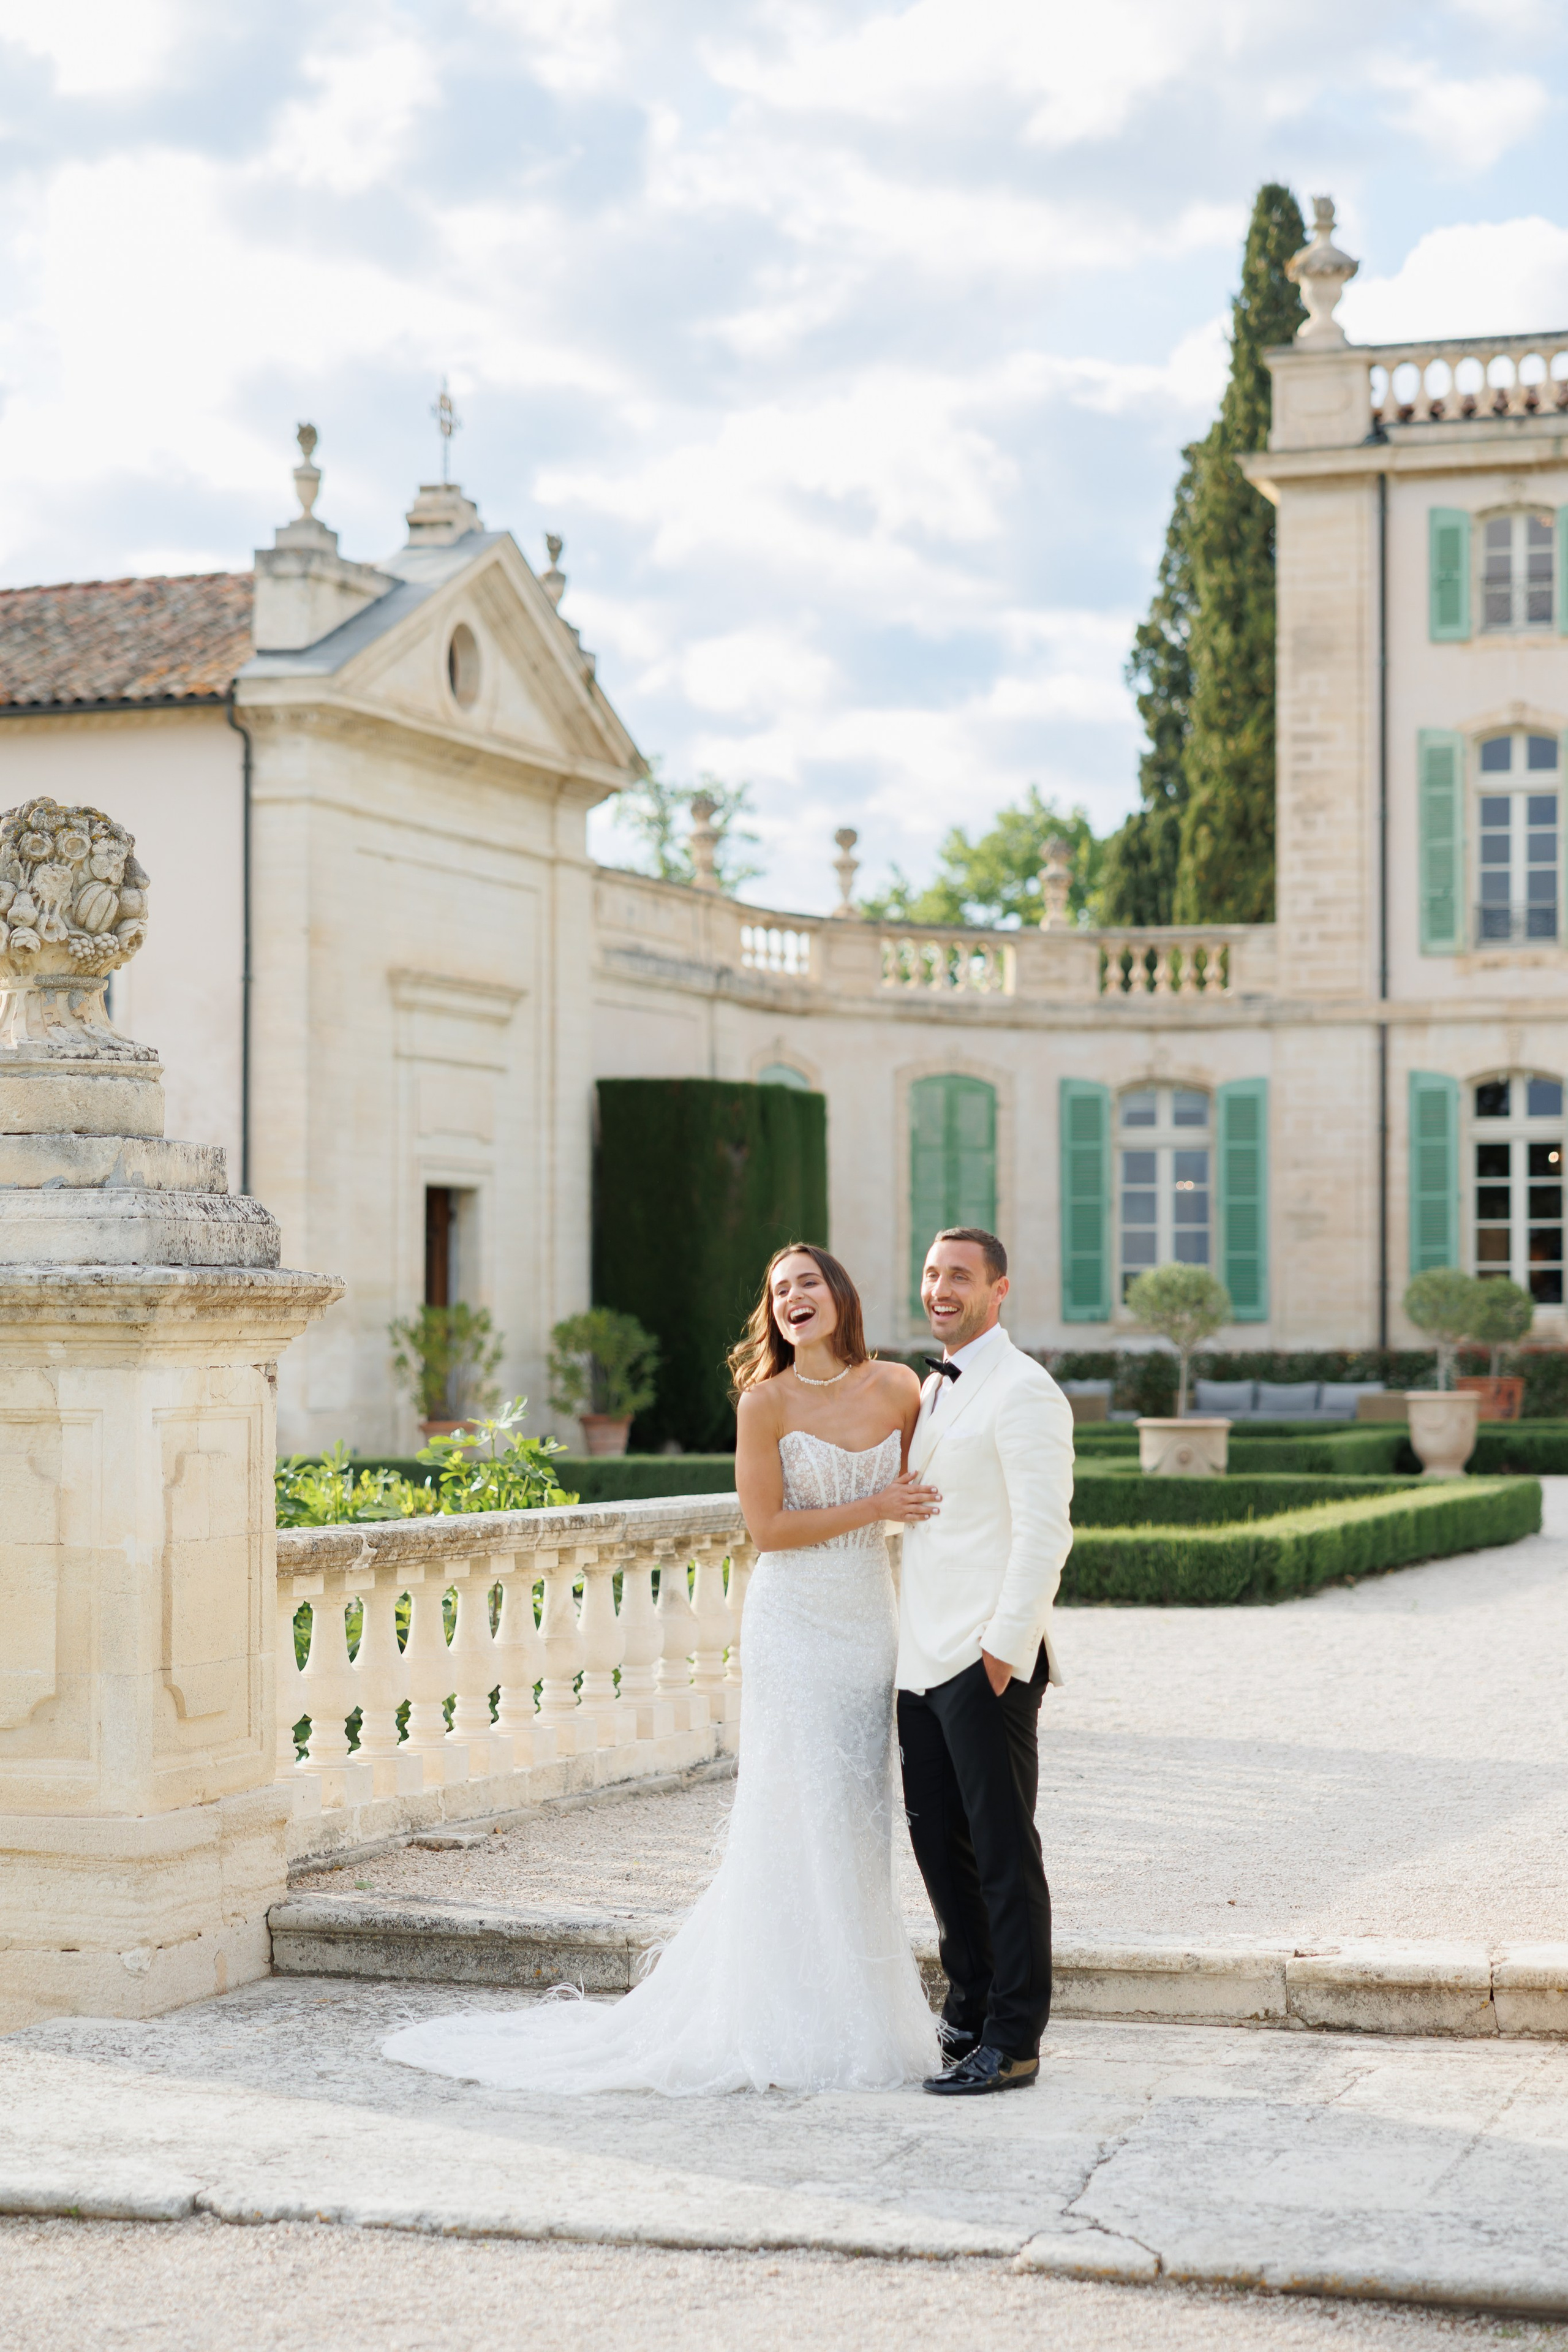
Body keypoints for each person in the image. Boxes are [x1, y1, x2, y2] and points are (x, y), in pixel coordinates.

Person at [381, 1242, 943, 2096]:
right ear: (774, 1312)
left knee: (858, 1812)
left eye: (808, 1282)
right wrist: (874, 1506)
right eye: (779, 1288)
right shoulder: (766, 1401)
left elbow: (939, 1485)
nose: (795, 1297)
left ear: (839, 1294)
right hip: (795, 1624)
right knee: (796, 1809)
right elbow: (767, 1530)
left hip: (867, 1623)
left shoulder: (902, 1387)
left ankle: (858, 2004)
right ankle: (780, 2012)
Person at [897, 1226, 1074, 2098]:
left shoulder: (1026, 1390)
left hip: (984, 1659)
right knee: (940, 1849)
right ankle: (967, 2007)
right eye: (932, 1274)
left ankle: (1015, 2037)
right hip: (917, 1658)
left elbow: (1046, 1531)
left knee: (1004, 1854)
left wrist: (1003, 1653)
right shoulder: (931, 1389)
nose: (941, 1289)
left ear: (999, 1291)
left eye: (959, 1277)